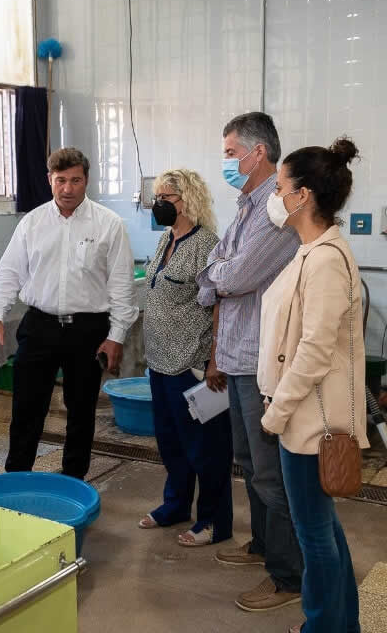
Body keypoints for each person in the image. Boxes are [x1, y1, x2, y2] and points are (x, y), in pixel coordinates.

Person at [259, 138, 369, 633]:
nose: (275, 196)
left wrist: (277, 411)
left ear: (302, 196)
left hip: (307, 420)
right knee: (324, 529)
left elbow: (314, 351)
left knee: (314, 536)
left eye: (280, 186)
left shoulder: (325, 258)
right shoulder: (312, 251)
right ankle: (340, 625)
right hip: (300, 414)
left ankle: (321, 626)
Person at [197, 112, 304, 612]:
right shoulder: (243, 206)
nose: (226, 162)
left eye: (229, 152)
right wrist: (220, 274)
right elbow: (213, 274)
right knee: (248, 464)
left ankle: (288, 576)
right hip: (236, 354)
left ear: (257, 153)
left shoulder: (276, 212)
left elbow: (232, 277)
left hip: (263, 363)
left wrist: (219, 274)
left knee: (269, 473)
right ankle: (263, 546)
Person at [0, 147, 138, 479]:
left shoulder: (109, 224)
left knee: (81, 413)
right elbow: (9, 272)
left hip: (88, 329)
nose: (68, 189)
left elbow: (123, 285)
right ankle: (17, 480)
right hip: (39, 325)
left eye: (76, 181)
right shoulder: (32, 223)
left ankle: (73, 482)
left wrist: (116, 336)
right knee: (26, 409)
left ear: (87, 181)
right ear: (49, 180)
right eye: (61, 180)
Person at [137, 169, 233, 547]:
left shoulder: (207, 244)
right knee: (171, 444)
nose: (157, 204)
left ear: (186, 201)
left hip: (192, 367)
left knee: (206, 450)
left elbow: (220, 307)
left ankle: (214, 521)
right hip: (160, 364)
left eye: (165, 198)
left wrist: (215, 361)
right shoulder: (166, 239)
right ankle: (175, 505)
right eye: (156, 197)